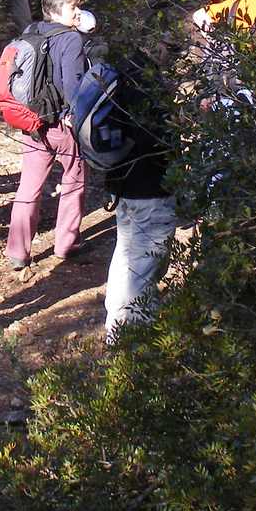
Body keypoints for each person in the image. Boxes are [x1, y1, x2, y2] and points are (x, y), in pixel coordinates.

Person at [6, 0, 88, 269]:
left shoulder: (31, 31)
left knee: (29, 186)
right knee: (74, 180)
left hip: (33, 122)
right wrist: (76, 114)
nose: (77, 12)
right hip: (62, 123)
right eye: (73, 7)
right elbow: (72, 84)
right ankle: (66, 243)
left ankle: (18, 250)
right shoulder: (71, 39)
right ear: (57, 10)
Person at [103, 75, 178, 343]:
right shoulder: (148, 83)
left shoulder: (118, 73)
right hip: (150, 190)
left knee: (125, 255)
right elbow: (155, 142)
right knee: (143, 266)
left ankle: (115, 328)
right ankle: (137, 342)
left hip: (124, 186)